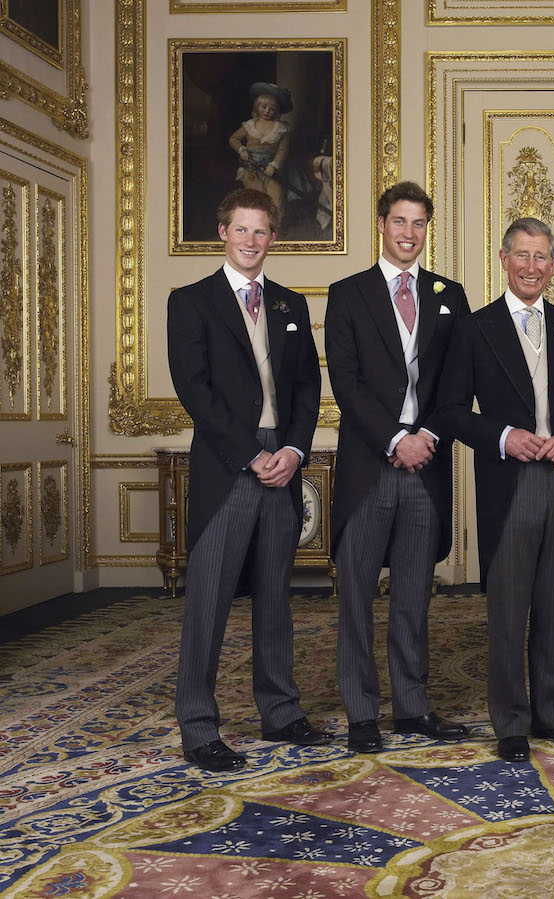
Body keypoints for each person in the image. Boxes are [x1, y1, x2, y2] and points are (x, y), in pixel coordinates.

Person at [439, 217, 554, 763]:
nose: (532, 267)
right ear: (502, 258)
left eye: (542, 258)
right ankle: (511, 721)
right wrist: (504, 436)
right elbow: (449, 412)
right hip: (508, 484)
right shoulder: (474, 328)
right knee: (509, 609)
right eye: (522, 256)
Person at [167, 187, 329, 772]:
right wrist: (249, 454)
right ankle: (198, 725)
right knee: (208, 600)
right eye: (242, 230)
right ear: (221, 232)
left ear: (273, 238)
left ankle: (281, 712)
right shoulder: (191, 302)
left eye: (261, 232)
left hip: (282, 463)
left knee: (275, 599)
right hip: (227, 465)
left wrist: (293, 449)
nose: (251, 241)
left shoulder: (289, 304)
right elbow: (196, 392)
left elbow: (308, 387)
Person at [325, 182, 472, 754]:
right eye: (399, 222)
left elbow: (457, 381)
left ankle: (412, 708)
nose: (409, 233)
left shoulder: (448, 295)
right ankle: (362, 713)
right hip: (370, 465)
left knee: (414, 597)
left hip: (427, 466)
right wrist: (394, 440)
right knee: (356, 597)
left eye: (418, 224)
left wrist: (427, 436)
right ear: (381, 224)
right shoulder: (349, 293)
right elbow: (347, 381)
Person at [228, 82, 292, 213]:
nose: (267, 111)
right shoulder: (250, 125)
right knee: (257, 198)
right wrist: (242, 149)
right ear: (257, 107)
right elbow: (233, 139)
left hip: (271, 171)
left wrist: (273, 165)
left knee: (276, 198)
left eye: (272, 109)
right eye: (264, 107)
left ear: (277, 111)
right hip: (251, 169)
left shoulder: (281, 129)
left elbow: (282, 151)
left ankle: (274, 228)